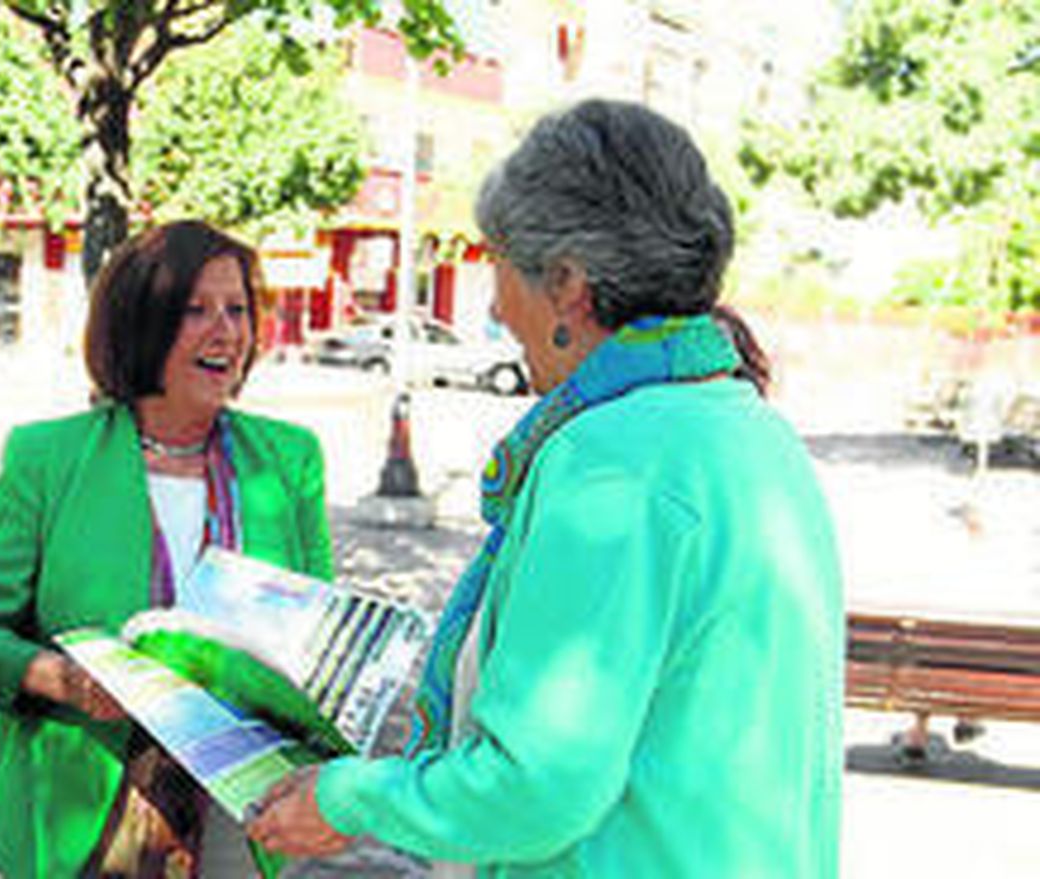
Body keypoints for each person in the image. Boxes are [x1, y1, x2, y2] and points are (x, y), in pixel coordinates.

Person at [247, 99, 843, 878]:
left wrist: (347, 798)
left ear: (566, 282)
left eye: (495, 262)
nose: (493, 305)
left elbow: (537, 783)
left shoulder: (613, 461)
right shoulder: (746, 427)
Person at [0, 220, 333, 878]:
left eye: (237, 309)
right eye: (196, 310)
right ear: (142, 323)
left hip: (241, 808)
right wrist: (60, 678)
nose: (227, 331)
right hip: (81, 808)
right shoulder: (47, 457)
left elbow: (319, 644)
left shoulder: (290, 460)